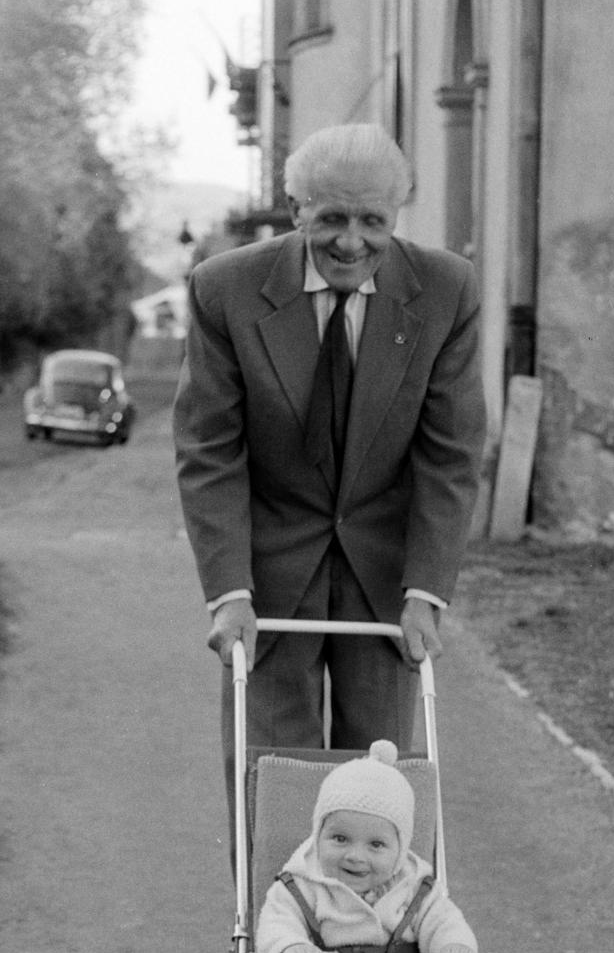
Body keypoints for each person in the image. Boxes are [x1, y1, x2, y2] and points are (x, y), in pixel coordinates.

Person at [172, 123, 487, 799]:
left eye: (372, 220)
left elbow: (450, 454)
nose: (352, 241)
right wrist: (228, 594)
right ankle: (271, 909)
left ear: (396, 214)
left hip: (383, 578)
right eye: (331, 218)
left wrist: (425, 592)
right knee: (274, 783)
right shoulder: (225, 290)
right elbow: (210, 452)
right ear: (295, 213)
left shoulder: (444, 291)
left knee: (374, 793)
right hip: (268, 576)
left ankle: (364, 912)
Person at [255, 741, 494, 953]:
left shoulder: (416, 886)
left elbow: (444, 920)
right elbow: (275, 924)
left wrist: (453, 946)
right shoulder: (299, 883)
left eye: (377, 845)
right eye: (339, 839)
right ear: (317, 833)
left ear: (400, 848)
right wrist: (289, 949)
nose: (356, 856)